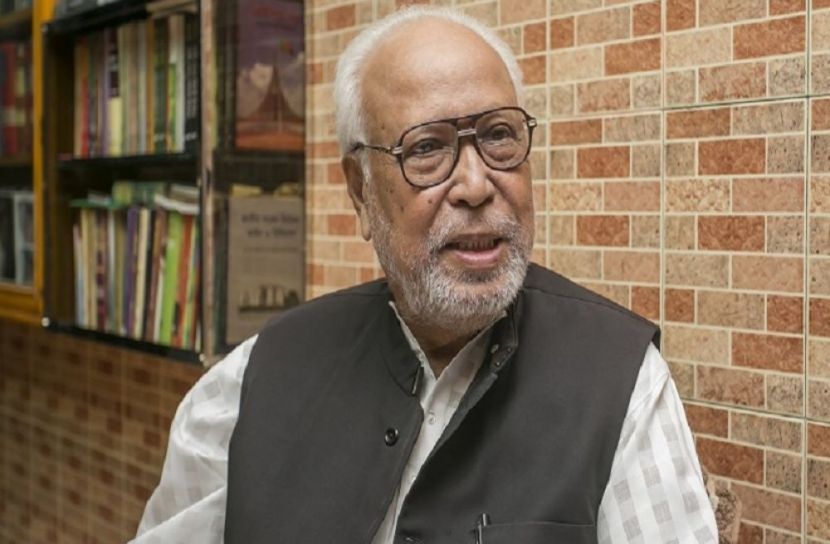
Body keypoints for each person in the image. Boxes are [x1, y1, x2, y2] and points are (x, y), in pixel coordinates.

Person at [132, 7, 718, 544]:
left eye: (498, 136)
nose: (475, 185)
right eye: (427, 148)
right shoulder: (249, 385)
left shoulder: (621, 381)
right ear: (361, 192)